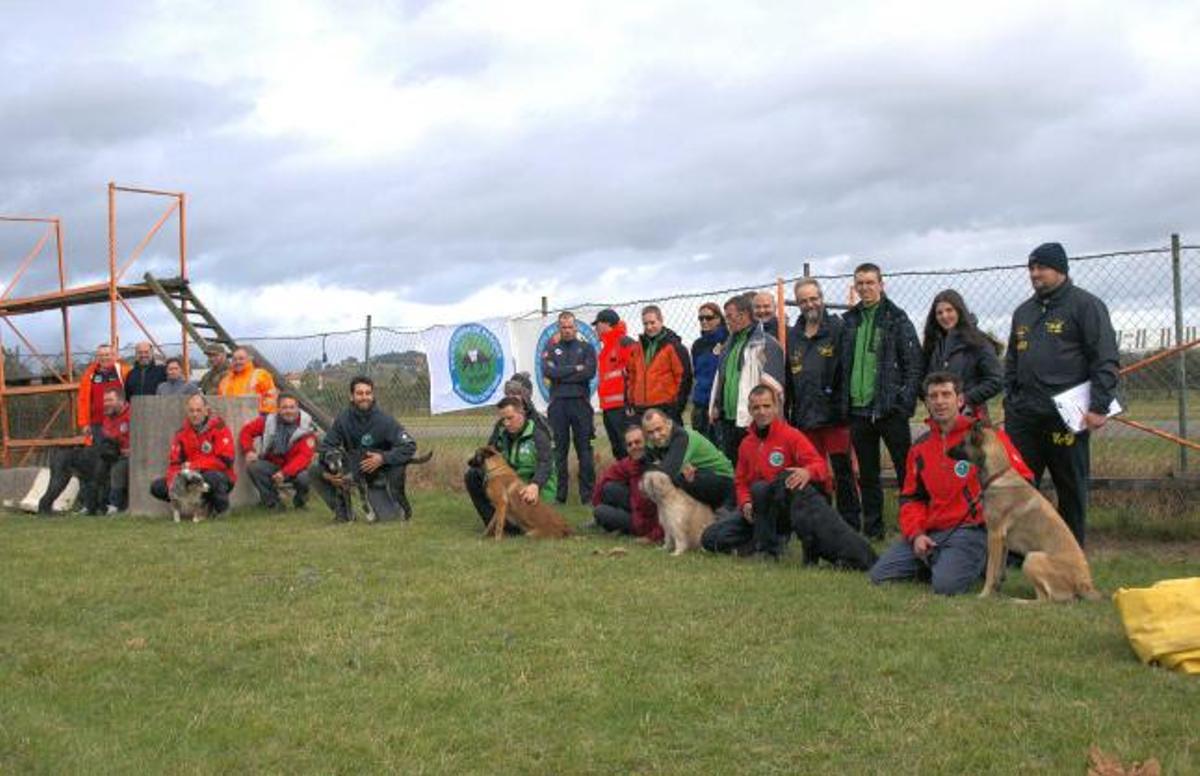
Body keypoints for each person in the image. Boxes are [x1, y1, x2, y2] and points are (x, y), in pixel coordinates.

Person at [870, 372, 1033, 595]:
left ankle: (980, 558)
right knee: (879, 575)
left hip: (971, 530)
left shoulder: (986, 436)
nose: (939, 401)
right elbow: (911, 498)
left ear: (959, 400)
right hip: (932, 530)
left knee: (946, 587)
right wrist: (916, 534)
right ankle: (945, 560)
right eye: (933, 396)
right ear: (926, 403)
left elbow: (1024, 479)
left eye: (946, 394)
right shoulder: (920, 448)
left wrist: (991, 507)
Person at [1003, 242, 1119, 547]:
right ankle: (1022, 552)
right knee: (1020, 487)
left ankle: (1070, 553)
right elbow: (1012, 361)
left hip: (1066, 418)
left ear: (1061, 270)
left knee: (1070, 487)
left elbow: (1105, 359)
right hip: (1025, 417)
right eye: (1031, 268)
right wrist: (1011, 403)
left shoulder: (1086, 306)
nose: (1035, 273)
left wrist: (1099, 406)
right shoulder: (1023, 312)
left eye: (1042, 267)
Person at [840, 262, 923, 539]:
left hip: (889, 410)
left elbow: (914, 365)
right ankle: (873, 530)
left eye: (869, 282)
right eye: (860, 283)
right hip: (859, 411)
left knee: (905, 472)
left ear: (881, 284)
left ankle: (912, 526)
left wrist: (903, 404)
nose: (865, 287)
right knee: (868, 474)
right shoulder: (850, 320)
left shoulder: (897, 318)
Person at [702, 385, 830, 559]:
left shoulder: (792, 436)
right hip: (754, 510)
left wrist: (807, 472)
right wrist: (746, 503)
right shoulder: (746, 443)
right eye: (756, 407)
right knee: (709, 538)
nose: (762, 412)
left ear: (776, 407)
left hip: (782, 509)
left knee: (761, 488)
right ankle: (757, 543)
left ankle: (771, 548)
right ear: (750, 410)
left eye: (767, 406)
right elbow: (740, 482)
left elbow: (821, 466)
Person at [785, 278, 861, 530]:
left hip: (835, 416)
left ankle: (849, 524)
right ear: (798, 303)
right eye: (804, 300)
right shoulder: (794, 335)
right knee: (815, 473)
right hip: (805, 416)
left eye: (813, 298)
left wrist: (843, 407)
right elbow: (788, 376)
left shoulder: (838, 329)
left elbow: (848, 369)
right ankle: (821, 523)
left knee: (842, 471)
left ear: (821, 298)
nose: (810, 304)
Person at [309, 376, 418, 522]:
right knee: (315, 470)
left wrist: (383, 458)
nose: (364, 397)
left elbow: (409, 446)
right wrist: (329, 474)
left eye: (368, 393)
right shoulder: (343, 419)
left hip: (377, 476)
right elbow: (326, 446)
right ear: (352, 396)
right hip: (352, 469)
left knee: (389, 520)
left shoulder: (385, 420)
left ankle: (387, 501)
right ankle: (344, 513)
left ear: (372, 395)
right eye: (359, 393)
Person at [708, 292, 785, 467]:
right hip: (729, 419)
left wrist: (765, 416)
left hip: (753, 420)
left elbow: (775, 386)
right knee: (735, 467)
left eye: (730, 317)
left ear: (743, 315)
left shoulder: (766, 343)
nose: (726, 321)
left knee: (758, 467)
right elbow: (721, 378)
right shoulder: (728, 345)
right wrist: (715, 405)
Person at [466, 396, 557, 532]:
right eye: (503, 419)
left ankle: (517, 524)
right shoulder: (501, 434)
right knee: (473, 476)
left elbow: (546, 463)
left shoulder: (539, 435)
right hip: (509, 487)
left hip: (531, 490)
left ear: (522, 414)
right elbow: (488, 453)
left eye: (510, 418)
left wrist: (536, 485)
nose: (506, 423)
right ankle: (495, 523)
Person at [541, 311, 597, 504]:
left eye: (570, 326)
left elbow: (589, 372)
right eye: (563, 327)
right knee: (559, 452)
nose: (567, 330)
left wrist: (561, 375)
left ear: (576, 327)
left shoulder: (587, 348)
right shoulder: (551, 349)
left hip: (580, 403)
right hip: (558, 405)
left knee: (584, 451)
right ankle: (560, 495)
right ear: (559, 328)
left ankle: (588, 496)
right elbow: (548, 372)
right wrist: (575, 368)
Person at [150, 394, 237, 516]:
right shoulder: (181, 433)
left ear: (206, 411)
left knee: (213, 478)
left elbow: (226, 460)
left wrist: (195, 466)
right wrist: (173, 484)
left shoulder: (220, 428)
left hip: (217, 476)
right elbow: (174, 463)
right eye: (191, 411)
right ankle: (192, 506)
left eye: (198, 410)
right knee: (157, 487)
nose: (195, 414)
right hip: (190, 477)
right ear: (187, 412)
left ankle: (221, 510)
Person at [921, 289, 1003, 418]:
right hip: (940, 419)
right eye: (939, 313)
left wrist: (964, 400)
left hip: (971, 417)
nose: (944, 316)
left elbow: (996, 380)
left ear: (959, 311)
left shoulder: (979, 342)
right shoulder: (934, 344)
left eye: (949, 310)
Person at [641, 408, 734, 510]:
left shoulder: (682, 436)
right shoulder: (651, 442)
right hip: (698, 475)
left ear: (668, 424)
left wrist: (660, 469)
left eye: (659, 429)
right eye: (650, 432)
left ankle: (720, 510)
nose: (656, 436)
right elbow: (647, 466)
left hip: (723, 479)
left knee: (673, 481)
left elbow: (666, 474)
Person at [239, 393, 317, 510]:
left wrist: (284, 473)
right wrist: (249, 450)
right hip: (273, 464)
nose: (288, 411)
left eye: (292, 407)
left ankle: (300, 502)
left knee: (304, 477)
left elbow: (303, 457)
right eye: (284, 407)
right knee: (254, 467)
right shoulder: (268, 421)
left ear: (297, 408)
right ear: (278, 409)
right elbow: (246, 431)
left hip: (297, 467)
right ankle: (274, 503)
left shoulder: (307, 427)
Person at [591, 424, 661, 541]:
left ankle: (621, 526)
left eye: (637, 442)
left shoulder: (656, 466)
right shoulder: (630, 462)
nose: (634, 446)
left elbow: (666, 507)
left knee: (600, 512)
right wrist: (596, 500)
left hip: (648, 521)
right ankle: (611, 521)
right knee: (608, 488)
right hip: (636, 508)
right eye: (630, 444)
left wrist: (652, 536)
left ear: (646, 442)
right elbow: (606, 476)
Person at [625, 305, 692, 424]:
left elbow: (684, 377)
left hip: (665, 407)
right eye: (645, 324)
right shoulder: (636, 348)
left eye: (652, 322)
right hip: (641, 408)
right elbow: (631, 376)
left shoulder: (674, 346)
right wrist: (630, 401)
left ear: (661, 321)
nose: (649, 327)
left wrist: (677, 407)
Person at [593, 308, 636, 459]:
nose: (595, 329)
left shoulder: (625, 343)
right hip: (609, 409)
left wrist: (631, 402)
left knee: (629, 448)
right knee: (618, 449)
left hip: (623, 408)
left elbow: (635, 374)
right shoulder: (606, 349)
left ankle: (635, 480)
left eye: (597, 324)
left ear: (606, 324)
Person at [690, 302, 727, 445]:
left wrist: (718, 402)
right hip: (700, 403)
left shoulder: (727, 340)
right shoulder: (697, 345)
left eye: (708, 318)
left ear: (719, 318)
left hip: (719, 405)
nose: (704, 321)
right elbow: (697, 373)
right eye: (701, 318)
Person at [76, 343, 130, 441]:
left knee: (120, 452)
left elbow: (131, 394)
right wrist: (84, 423)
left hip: (119, 421)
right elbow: (83, 400)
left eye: (107, 354)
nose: (104, 358)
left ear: (114, 356)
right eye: (101, 355)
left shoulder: (123, 371)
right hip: (97, 423)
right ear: (97, 357)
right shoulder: (89, 374)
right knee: (98, 453)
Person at [94, 388, 132, 514]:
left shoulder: (132, 414)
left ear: (121, 401)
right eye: (105, 401)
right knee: (96, 468)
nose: (106, 403)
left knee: (118, 468)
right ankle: (95, 505)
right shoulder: (107, 417)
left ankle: (115, 505)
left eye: (110, 400)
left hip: (130, 455)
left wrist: (133, 450)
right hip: (113, 454)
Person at [218, 347, 278, 414]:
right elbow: (221, 403)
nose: (237, 362)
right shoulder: (224, 381)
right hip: (231, 420)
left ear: (249, 359)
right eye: (234, 359)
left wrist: (261, 415)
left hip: (256, 419)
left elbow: (271, 399)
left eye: (241, 359)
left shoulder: (261, 375)